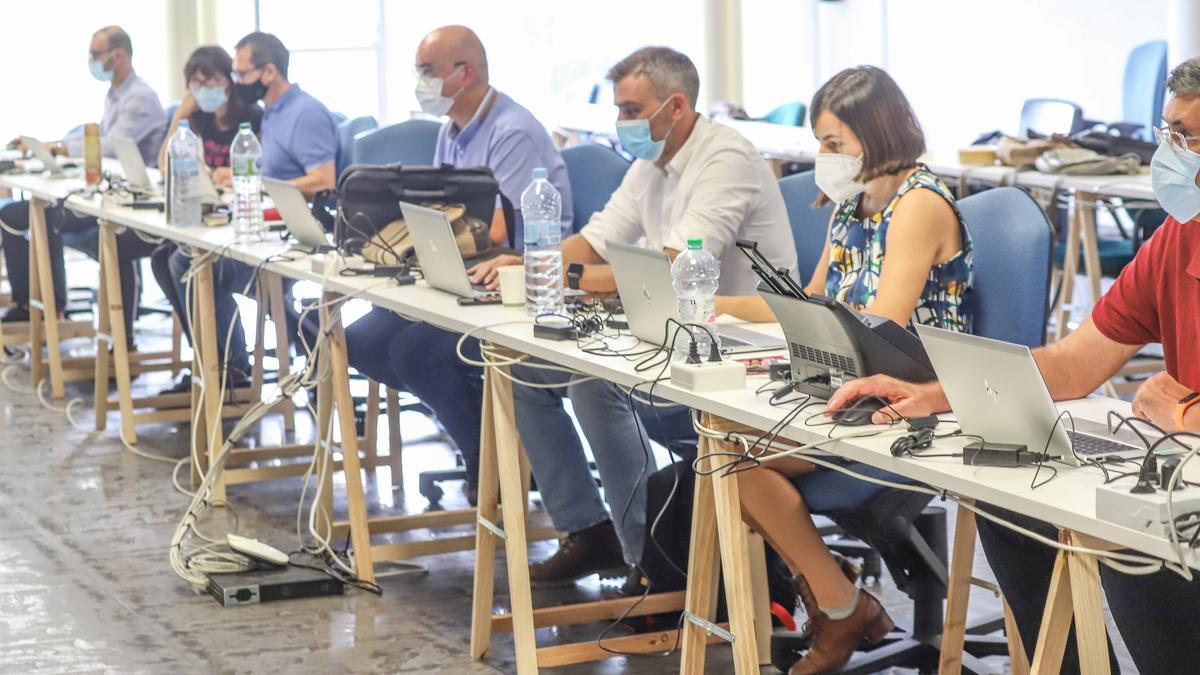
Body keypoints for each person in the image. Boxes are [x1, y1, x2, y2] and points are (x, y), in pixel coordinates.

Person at [823, 55, 1200, 675]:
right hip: (1179, 482)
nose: (1172, 153)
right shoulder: (1177, 237)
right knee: (1009, 495)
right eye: (1168, 133)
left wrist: (1180, 411)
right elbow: (1075, 364)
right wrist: (939, 392)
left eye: (1188, 137)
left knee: (1132, 537)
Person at [471, 46, 797, 587]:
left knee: (596, 386)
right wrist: (534, 262)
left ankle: (656, 562)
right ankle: (591, 529)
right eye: (619, 109)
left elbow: (674, 270)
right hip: (664, 334)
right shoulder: (653, 163)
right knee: (523, 373)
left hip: (737, 351)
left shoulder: (726, 160)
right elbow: (597, 242)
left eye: (629, 109)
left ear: (675, 107)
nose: (620, 122)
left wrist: (567, 278)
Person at [717, 66, 973, 675]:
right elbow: (810, 306)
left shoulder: (920, 206)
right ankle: (839, 601)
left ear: (877, 132)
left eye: (833, 144)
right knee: (722, 448)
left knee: (731, 456)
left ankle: (839, 608)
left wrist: (804, 345)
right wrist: (713, 305)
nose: (822, 157)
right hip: (849, 382)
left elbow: (880, 328)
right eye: (820, 143)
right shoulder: (852, 207)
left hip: (911, 395)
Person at [336, 25, 572, 502]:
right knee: (359, 339)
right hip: (463, 271)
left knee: (416, 354)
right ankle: (489, 435)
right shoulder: (454, 130)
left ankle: (493, 466)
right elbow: (448, 210)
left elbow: (501, 229)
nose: (420, 82)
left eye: (428, 72)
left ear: (466, 73)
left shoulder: (513, 131)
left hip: (521, 274)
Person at [163, 31, 337, 389]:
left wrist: (256, 184)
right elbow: (273, 172)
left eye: (241, 74)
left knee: (189, 263)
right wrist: (243, 176)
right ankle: (223, 367)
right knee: (175, 256)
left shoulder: (305, 113)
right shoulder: (274, 114)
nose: (236, 82)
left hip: (295, 239)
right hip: (265, 228)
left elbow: (323, 181)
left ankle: (230, 371)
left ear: (268, 72)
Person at [0, 25, 167, 347]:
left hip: (136, 207)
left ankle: (66, 316)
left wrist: (58, 148)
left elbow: (109, 147)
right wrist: (54, 145)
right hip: (109, 196)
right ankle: (40, 307)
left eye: (95, 54)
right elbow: (96, 140)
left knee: (43, 217)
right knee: (22, 214)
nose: (91, 61)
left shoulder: (140, 96)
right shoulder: (116, 94)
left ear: (118, 55)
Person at [148, 45, 263, 374]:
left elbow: (263, 169)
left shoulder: (252, 118)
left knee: (188, 264)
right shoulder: (195, 119)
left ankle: (230, 368)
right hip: (209, 220)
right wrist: (180, 116)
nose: (203, 89)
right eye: (195, 83)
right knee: (162, 260)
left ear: (228, 80)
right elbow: (164, 167)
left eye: (210, 80)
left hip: (242, 223)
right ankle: (208, 361)